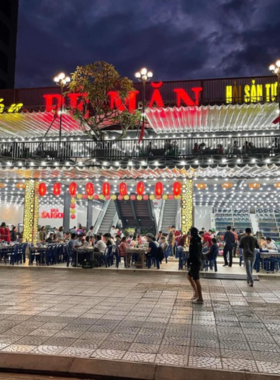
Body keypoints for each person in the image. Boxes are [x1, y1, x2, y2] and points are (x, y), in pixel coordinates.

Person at [187, 227, 203, 304]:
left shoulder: (194, 241)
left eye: (190, 232)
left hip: (195, 262)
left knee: (196, 280)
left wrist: (190, 260)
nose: (189, 234)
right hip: (196, 261)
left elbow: (194, 252)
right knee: (189, 276)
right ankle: (196, 293)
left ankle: (200, 298)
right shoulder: (198, 240)